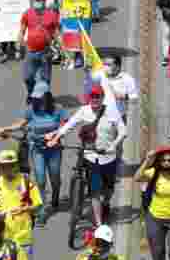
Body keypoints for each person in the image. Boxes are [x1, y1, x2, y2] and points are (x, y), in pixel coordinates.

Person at [46, 85, 126, 227]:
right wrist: (56, 137)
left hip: (109, 157)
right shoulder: (84, 111)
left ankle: (106, 203)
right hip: (90, 156)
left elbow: (122, 131)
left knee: (108, 189)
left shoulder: (112, 112)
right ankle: (99, 223)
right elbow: (69, 125)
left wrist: (114, 145)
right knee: (95, 190)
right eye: (92, 96)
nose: (94, 99)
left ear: (102, 98)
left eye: (97, 96)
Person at [0, 82, 67, 227]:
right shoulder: (31, 110)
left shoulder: (58, 109)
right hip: (37, 149)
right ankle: (42, 212)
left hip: (54, 149)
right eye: (35, 98)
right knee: (40, 180)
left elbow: (65, 125)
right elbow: (21, 124)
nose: (37, 100)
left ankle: (55, 197)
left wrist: (55, 135)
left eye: (39, 97)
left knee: (54, 177)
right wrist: (5, 128)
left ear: (47, 97)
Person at [0, 150, 41, 260]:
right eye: (4, 166)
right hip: (0, 237)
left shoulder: (26, 181)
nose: (8, 169)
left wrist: (25, 209)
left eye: (11, 165)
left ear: (16, 165)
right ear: (0, 166)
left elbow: (37, 204)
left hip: (23, 237)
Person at [19, 0, 60, 89]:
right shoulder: (27, 14)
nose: (37, 2)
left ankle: (45, 99)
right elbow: (22, 31)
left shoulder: (52, 15)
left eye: (40, 0)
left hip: (45, 52)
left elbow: (56, 33)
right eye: (36, 0)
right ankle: (31, 92)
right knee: (27, 77)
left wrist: (63, 49)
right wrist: (19, 44)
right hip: (30, 51)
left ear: (45, 1)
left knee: (45, 79)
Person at [105, 54, 138, 123]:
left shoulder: (127, 79)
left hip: (120, 118)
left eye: (109, 64)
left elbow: (134, 98)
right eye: (105, 64)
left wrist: (123, 96)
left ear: (117, 66)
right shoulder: (103, 78)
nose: (106, 67)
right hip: (104, 118)